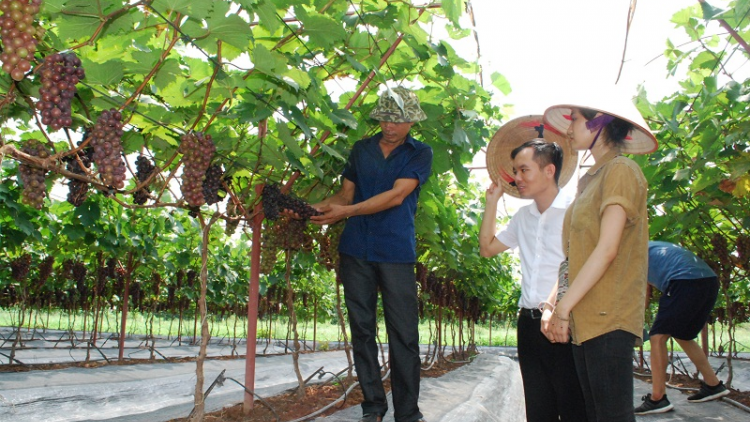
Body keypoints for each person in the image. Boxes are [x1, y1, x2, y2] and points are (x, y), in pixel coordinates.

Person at [309, 86, 432, 422]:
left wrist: (345, 213)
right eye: (384, 119)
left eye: (398, 121)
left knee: (403, 334)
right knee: (362, 329)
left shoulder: (420, 153)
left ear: (411, 122)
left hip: (395, 251)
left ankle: (407, 412)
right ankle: (373, 407)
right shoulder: (361, 149)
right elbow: (346, 195)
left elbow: (396, 196)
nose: (389, 127)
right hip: (356, 251)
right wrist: (314, 208)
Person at [541, 94, 658, 422]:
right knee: (595, 414)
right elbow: (573, 256)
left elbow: (607, 249)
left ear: (599, 122)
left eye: (577, 119)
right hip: (584, 317)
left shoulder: (620, 170)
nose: (569, 128)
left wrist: (563, 308)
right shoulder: (590, 180)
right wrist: (553, 305)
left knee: (611, 416)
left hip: (609, 315)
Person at [478, 116, 586, 422]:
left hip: (565, 322)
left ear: (549, 170)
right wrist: (491, 203)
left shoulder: (573, 212)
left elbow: (576, 264)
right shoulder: (522, 218)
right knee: (538, 409)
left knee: (572, 405)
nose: (517, 178)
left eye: (524, 170)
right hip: (528, 322)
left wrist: (557, 308)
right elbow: (487, 249)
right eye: (515, 172)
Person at [634, 240, 728, 415]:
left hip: (684, 281)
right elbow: (646, 288)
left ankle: (658, 398)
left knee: (657, 337)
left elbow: (639, 290)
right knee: (683, 335)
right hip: (709, 281)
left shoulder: (631, 251)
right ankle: (713, 384)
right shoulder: (651, 247)